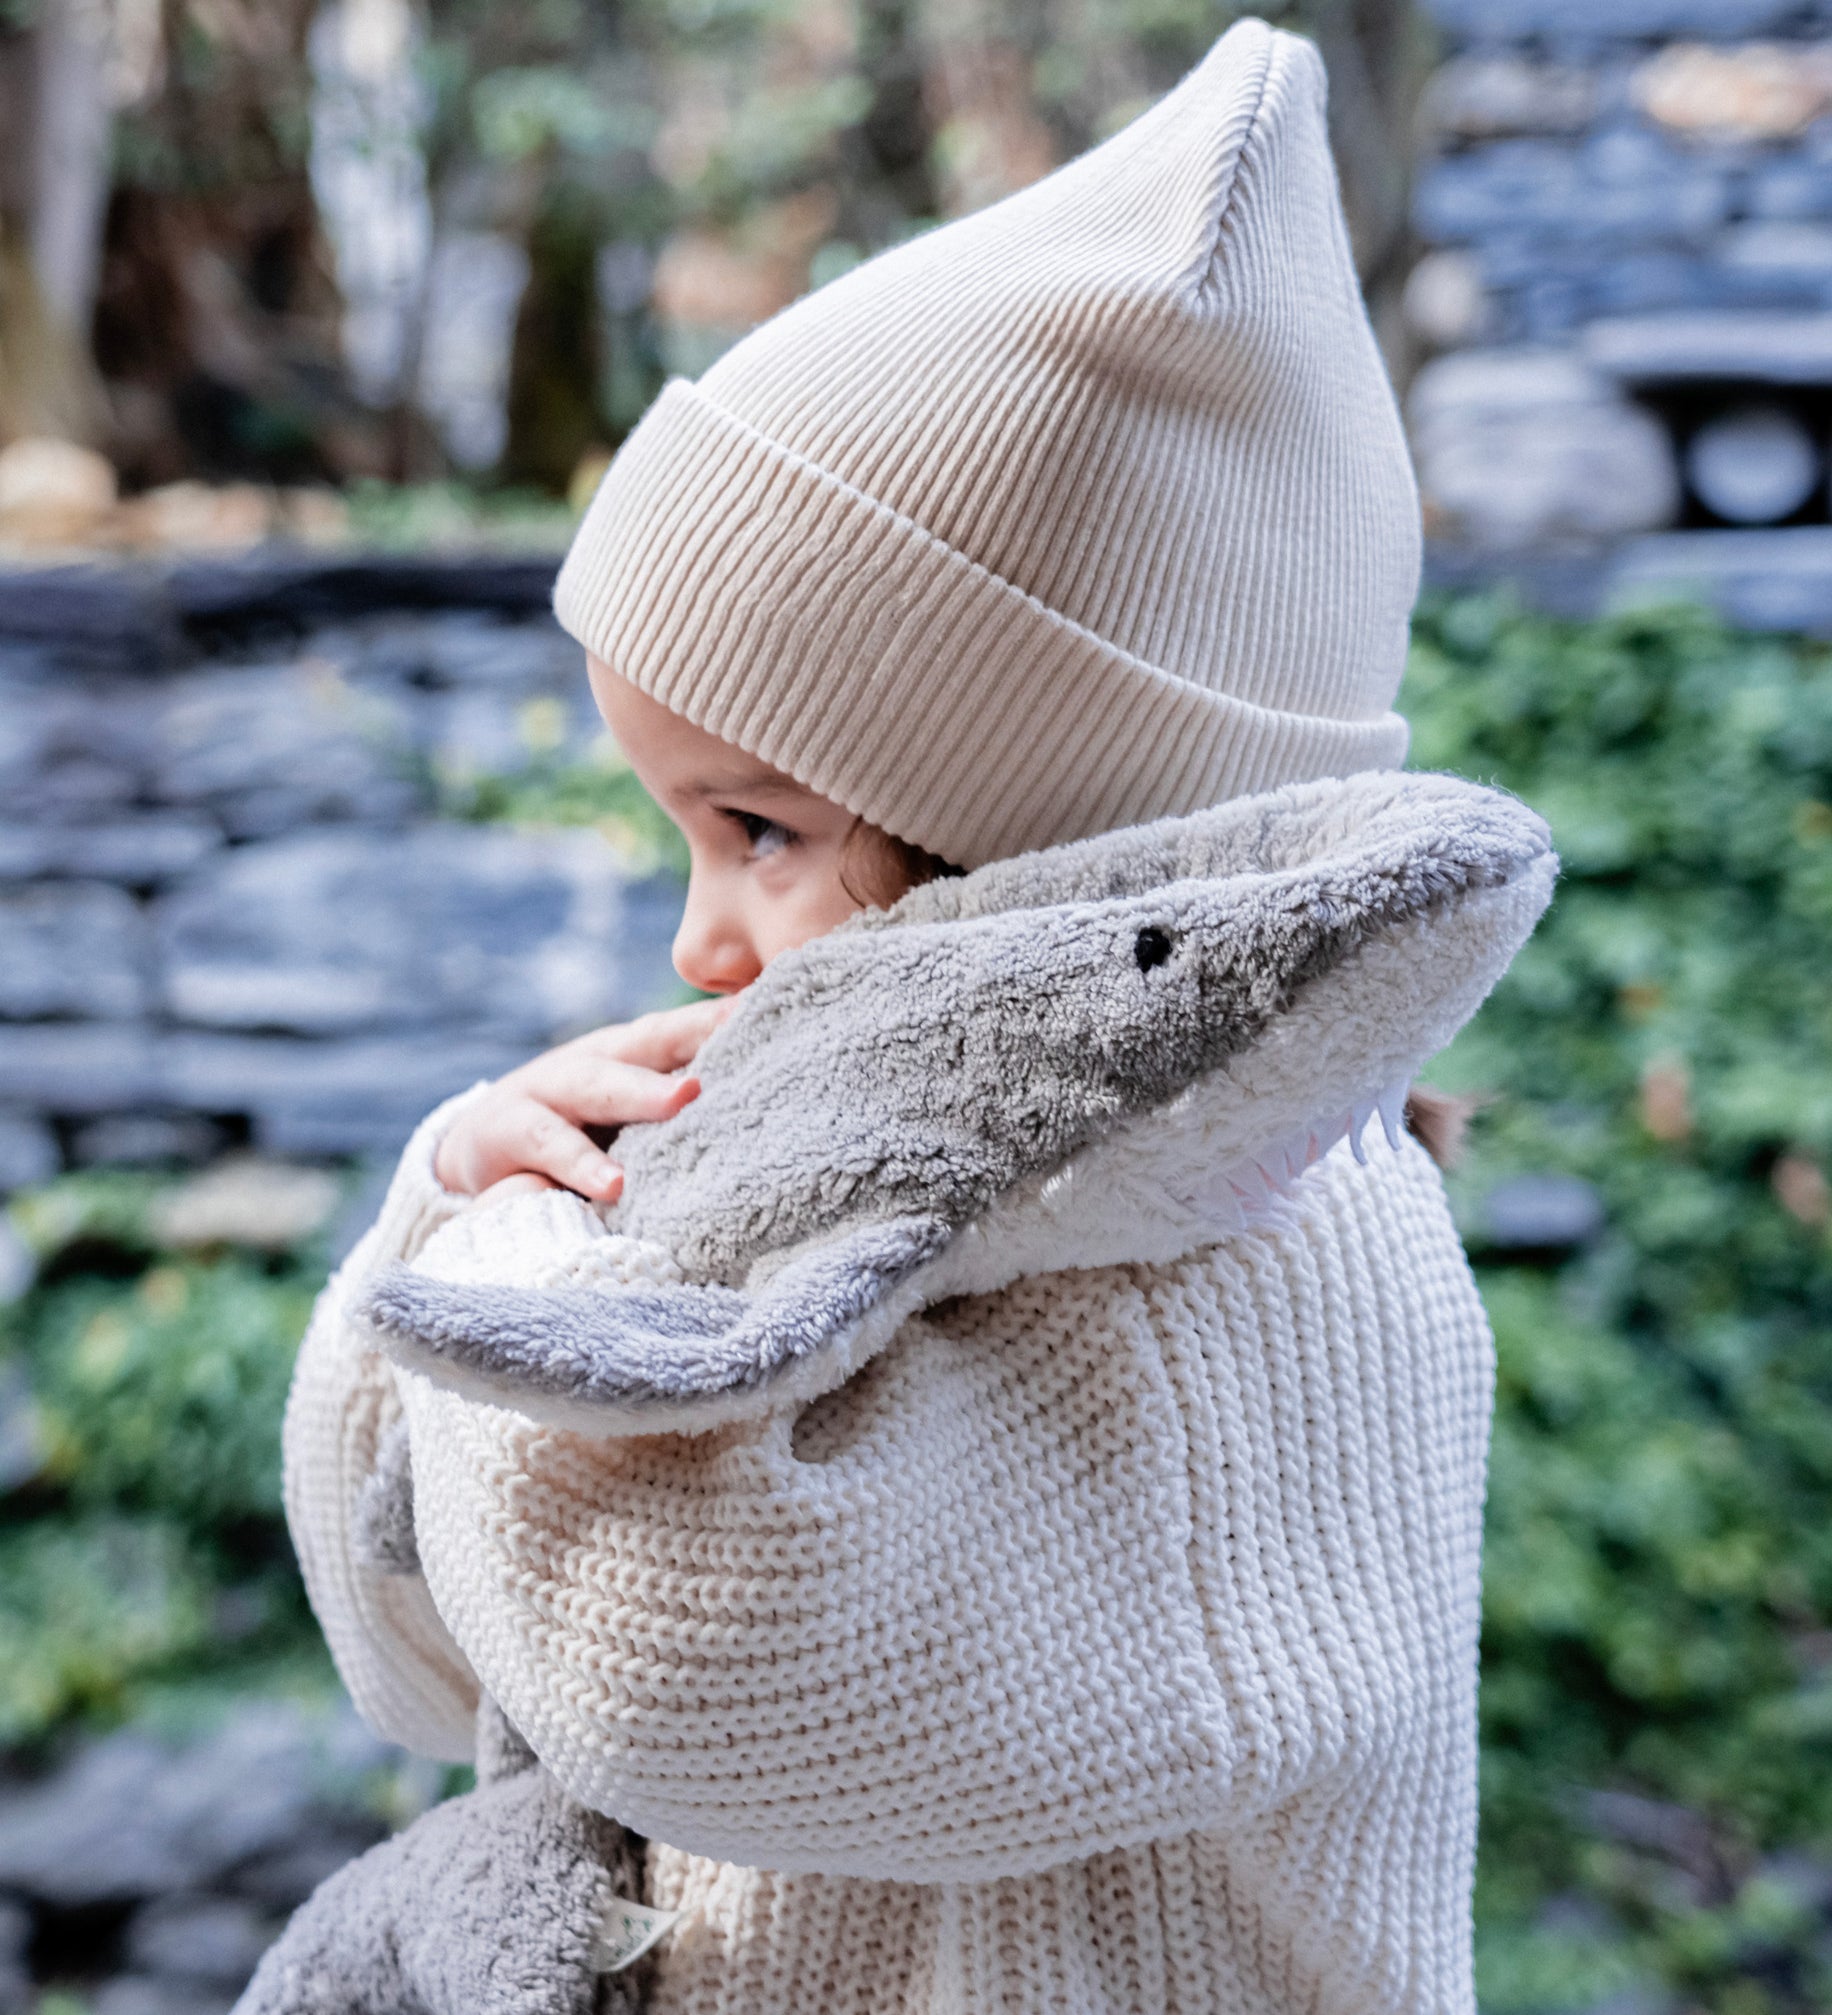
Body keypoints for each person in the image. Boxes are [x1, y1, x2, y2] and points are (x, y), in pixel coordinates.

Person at [252, 19, 1556, 2015]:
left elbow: (661, 1670)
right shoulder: (829, 1186)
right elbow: (425, 1667)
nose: (701, 941)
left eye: (759, 828)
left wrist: (521, 1261)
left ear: (1041, 843)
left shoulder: (1273, 1286)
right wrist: (445, 1218)